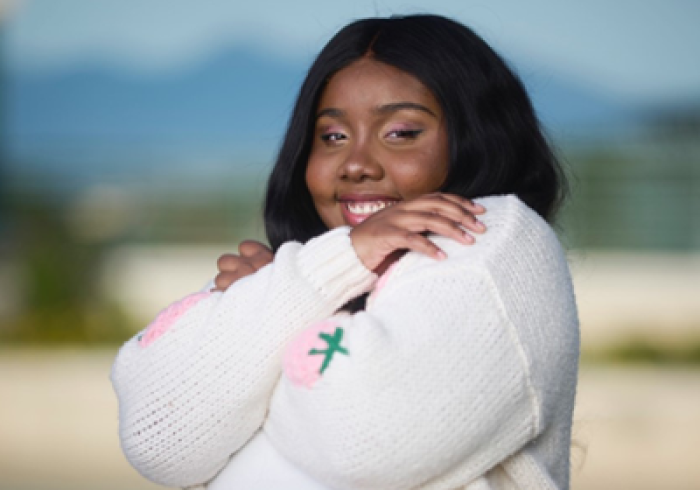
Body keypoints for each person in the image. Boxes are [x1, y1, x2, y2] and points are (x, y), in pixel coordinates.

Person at [111, 13, 579, 490]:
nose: (356, 164)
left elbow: (357, 438)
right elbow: (158, 438)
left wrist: (264, 322)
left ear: (476, 137)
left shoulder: (495, 237)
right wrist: (324, 272)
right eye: (333, 136)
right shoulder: (299, 274)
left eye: (400, 133)